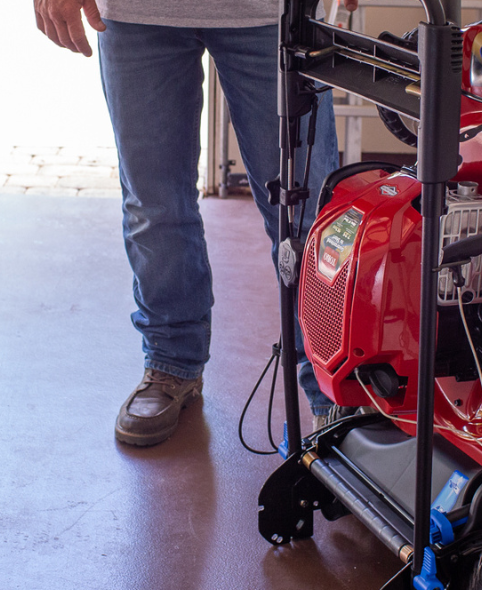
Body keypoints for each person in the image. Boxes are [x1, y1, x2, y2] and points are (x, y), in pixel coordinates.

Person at [33, 0, 356, 446]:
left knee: (309, 217)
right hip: (137, 15)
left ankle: (333, 386)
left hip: (273, 13)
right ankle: (171, 361)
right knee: (155, 206)